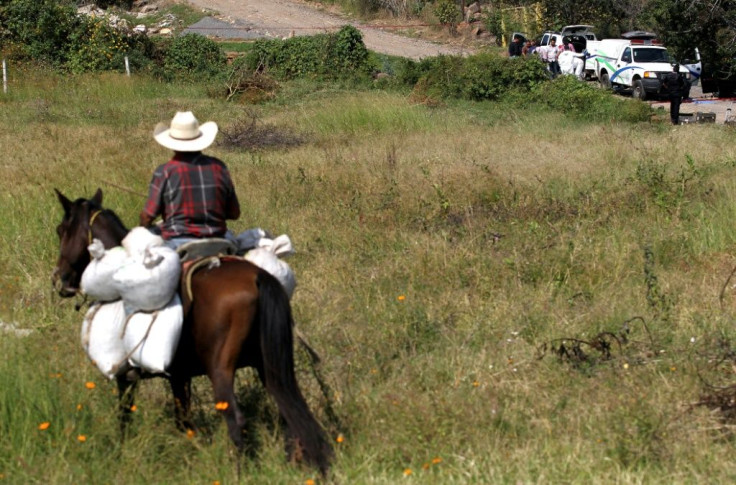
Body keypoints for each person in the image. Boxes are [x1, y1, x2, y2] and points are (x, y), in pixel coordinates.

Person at [140, 111, 241, 249]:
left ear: (172, 143)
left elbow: (148, 216)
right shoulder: (219, 167)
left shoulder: (165, 172)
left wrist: (143, 226)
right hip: (218, 240)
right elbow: (234, 213)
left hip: (177, 241)